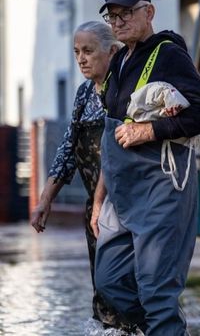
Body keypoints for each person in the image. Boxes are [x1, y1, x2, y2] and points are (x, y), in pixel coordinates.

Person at [92, 0, 200, 335]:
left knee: (156, 291)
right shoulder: (119, 63)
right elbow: (110, 138)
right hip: (122, 192)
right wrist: (99, 200)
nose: (118, 22)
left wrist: (149, 130)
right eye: (111, 16)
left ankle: (164, 324)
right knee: (110, 280)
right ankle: (163, 327)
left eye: (126, 13)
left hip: (162, 189)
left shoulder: (169, 54)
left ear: (148, 12)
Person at [29, 21, 130, 331]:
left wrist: (101, 204)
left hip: (125, 207)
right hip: (96, 211)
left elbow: (115, 153)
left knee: (123, 285)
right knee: (101, 292)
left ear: (112, 51)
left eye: (88, 51)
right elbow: (68, 148)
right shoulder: (84, 93)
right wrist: (45, 199)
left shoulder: (124, 90)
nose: (82, 59)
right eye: (76, 53)